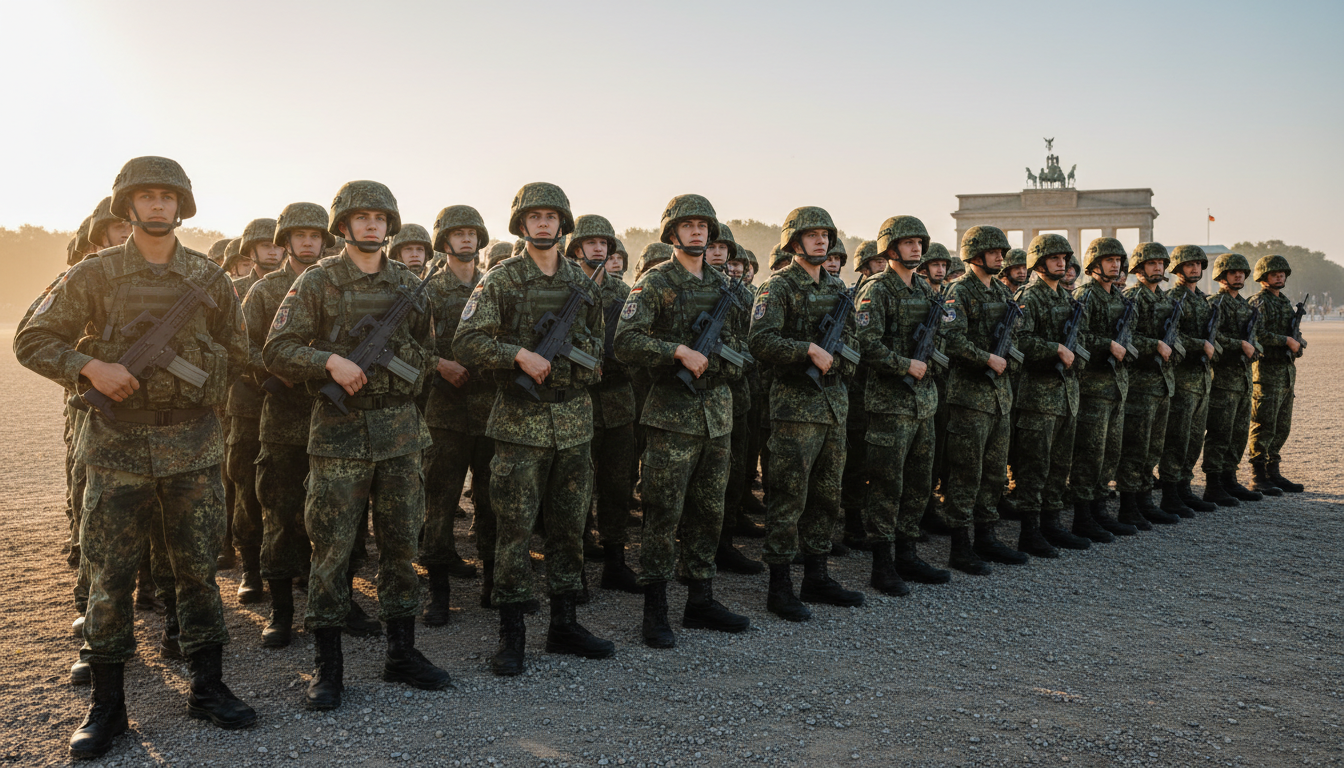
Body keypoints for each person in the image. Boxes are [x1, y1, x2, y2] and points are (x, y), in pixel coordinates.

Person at [17, 157, 257, 757]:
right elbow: (31, 339)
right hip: (117, 448)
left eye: (166, 197)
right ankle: (108, 705)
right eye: (145, 196)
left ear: (182, 206)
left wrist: (204, 376)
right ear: (128, 205)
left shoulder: (208, 276)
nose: (156, 206)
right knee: (109, 578)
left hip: (193, 447)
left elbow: (242, 351)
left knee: (198, 573)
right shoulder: (95, 274)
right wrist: (89, 366)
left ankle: (207, 686)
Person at [264, 180, 452, 710]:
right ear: (342, 225)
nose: (371, 225)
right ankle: (328, 665)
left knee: (400, 547)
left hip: (398, 433)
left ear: (390, 225)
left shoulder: (410, 284)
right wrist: (330, 361)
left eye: (379, 217)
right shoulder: (319, 282)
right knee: (332, 550)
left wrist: (402, 363)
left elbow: (429, 356)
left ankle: (402, 653)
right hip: (339, 436)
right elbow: (276, 349)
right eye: (360, 217)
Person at [453, 182, 615, 676]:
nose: (543, 223)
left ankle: (564, 623)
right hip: (519, 423)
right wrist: (516, 355)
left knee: (569, 528)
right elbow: (466, 341)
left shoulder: (583, 283)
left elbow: (595, 352)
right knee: (514, 530)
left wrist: (574, 365)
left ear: (562, 223)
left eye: (551, 216)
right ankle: (511, 632)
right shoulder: (501, 280)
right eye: (534, 216)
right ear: (521, 224)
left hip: (572, 422)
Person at [613, 195, 751, 647]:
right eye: (687, 226)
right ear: (672, 233)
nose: (696, 232)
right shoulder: (655, 283)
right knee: (662, 512)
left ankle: (700, 599)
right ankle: (655, 609)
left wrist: (716, 362)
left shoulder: (724, 285)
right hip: (671, 417)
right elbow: (626, 341)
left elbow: (742, 349)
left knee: (709, 511)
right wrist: (676, 351)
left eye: (702, 226)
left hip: (716, 416)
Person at [748, 206, 864, 622]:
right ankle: (779, 587)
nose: (820, 241)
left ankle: (817, 575)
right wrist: (806, 351)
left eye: (825, 235)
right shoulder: (777, 287)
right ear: (794, 242)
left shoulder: (838, 289)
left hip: (833, 407)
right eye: (811, 235)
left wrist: (841, 361)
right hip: (795, 410)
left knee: (826, 497)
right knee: (787, 498)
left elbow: (852, 340)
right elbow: (760, 340)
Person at [242, 202, 332, 648]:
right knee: (278, 513)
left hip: (334, 419)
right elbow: (240, 348)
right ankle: (281, 611)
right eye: (300, 236)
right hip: (282, 420)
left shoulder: (337, 281)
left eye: (316, 236)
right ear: (285, 242)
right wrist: (274, 375)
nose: (309, 243)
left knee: (335, 518)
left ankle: (334, 601)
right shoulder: (263, 291)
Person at [853, 216, 950, 594]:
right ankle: (882, 563)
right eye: (907, 243)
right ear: (890, 249)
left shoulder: (925, 291)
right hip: (890, 404)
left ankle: (908, 554)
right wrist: (904, 365)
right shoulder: (877, 290)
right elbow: (867, 344)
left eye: (919, 243)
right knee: (886, 485)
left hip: (923, 404)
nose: (916, 249)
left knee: (917, 484)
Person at [420, 205, 493, 627]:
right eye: (457, 233)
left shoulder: (493, 285)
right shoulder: (426, 291)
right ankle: (438, 591)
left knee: (491, 500)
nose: (466, 239)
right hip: (444, 411)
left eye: (472, 233)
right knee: (440, 501)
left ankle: (492, 583)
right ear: (443, 241)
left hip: (488, 411)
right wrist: (439, 365)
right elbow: (406, 346)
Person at [940, 226, 1030, 572]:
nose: (1000, 257)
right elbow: (952, 340)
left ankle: (987, 537)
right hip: (970, 398)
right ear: (974, 254)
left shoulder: (1003, 294)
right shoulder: (958, 291)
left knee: (993, 473)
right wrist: (986, 358)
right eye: (993, 251)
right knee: (966, 473)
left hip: (998, 398)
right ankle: (960, 546)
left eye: (1001, 252)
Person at [565, 214, 641, 593]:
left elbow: (635, 339)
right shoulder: (565, 285)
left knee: (616, 486)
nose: (598, 248)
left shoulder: (623, 293)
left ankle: (615, 560)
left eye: (603, 243)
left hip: (617, 399)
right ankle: (573, 565)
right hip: (577, 401)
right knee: (575, 487)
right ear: (577, 247)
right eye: (590, 242)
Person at [1009, 234, 1092, 557]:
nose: (1063, 264)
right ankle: (1030, 532)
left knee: (1059, 465)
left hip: (1065, 395)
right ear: (1039, 262)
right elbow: (1020, 342)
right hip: (1038, 398)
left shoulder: (1067, 299)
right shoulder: (1029, 297)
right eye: (1055, 258)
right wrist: (1054, 349)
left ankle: (1052, 524)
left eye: (1065, 259)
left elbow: (1080, 339)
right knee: (1035, 467)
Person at [1066, 237, 1139, 540]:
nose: (1116, 265)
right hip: (1093, 387)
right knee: (1089, 453)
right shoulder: (1086, 295)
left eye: (1118, 260)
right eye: (1109, 260)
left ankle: (1099, 511)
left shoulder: (1118, 298)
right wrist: (1106, 344)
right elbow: (1077, 337)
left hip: (1116, 387)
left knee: (1109, 453)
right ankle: (1083, 517)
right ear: (1095, 264)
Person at [703, 222, 766, 573]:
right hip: (689, 396)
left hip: (735, 394)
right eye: (712, 245)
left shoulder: (739, 293)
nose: (716, 251)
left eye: (722, 247)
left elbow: (751, 340)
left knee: (732, 472)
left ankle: (724, 540)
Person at [226, 217, 280, 606]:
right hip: (248, 407)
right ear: (251, 251)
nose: (274, 251)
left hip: (295, 405)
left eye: (278, 245)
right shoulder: (234, 293)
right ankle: (252, 569)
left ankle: (291, 566)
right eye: (265, 246)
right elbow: (232, 347)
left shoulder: (306, 286)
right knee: (247, 491)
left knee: (289, 492)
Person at [1117, 243, 1182, 529]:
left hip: (1162, 384)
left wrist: (1175, 348)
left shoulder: (1166, 299)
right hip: (1140, 386)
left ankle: (1145, 502)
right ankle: (1129, 506)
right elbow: (1125, 338)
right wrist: (1154, 345)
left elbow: (1174, 336)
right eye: (1152, 263)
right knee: (1135, 447)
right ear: (1139, 267)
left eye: (1161, 263)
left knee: (1153, 447)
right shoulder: (1132, 297)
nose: (1158, 268)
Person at [1157, 246, 1222, 516]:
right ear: (1178, 269)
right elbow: (1172, 337)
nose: (1195, 269)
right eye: (1189, 264)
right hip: (1182, 379)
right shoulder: (1173, 298)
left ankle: (1184, 487)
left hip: (1202, 380)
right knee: (1177, 438)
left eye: (1198, 264)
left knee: (1195, 438)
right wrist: (1200, 345)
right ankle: (1170, 494)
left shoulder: (1203, 300)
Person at [1201, 252, 1266, 505]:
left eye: (1242, 272)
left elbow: (1255, 338)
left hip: (1243, 379)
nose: (1238, 275)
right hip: (1222, 380)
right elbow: (1212, 339)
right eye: (1232, 272)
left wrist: (1254, 345)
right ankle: (1213, 484)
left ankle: (1230, 479)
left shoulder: (1245, 306)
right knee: (1219, 432)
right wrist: (1238, 344)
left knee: (1238, 433)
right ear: (1222, 276)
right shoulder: (1215, 304)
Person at [838, 240, 885, 552]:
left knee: (876, 461)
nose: (882, 266)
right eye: (876, 262)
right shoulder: (855, 297)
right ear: (865, 266)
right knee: (854, 461)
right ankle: (853, 523)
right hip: (856, 391)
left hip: (878, 390)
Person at [1248, 254, 1307, 492]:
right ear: (1263, 277)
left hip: (1285, 373)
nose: (1280, 276)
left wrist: (1298, 342)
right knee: (1263, 424)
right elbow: (1256, 335)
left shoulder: (1283, 301)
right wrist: (1286, 341)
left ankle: (1273, 471)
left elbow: (1292, 332)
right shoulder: (1258, 302)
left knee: (1282, 426)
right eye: (1274, 273)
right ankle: (1258, 475)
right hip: (1266, 373)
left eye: (1282, 273)